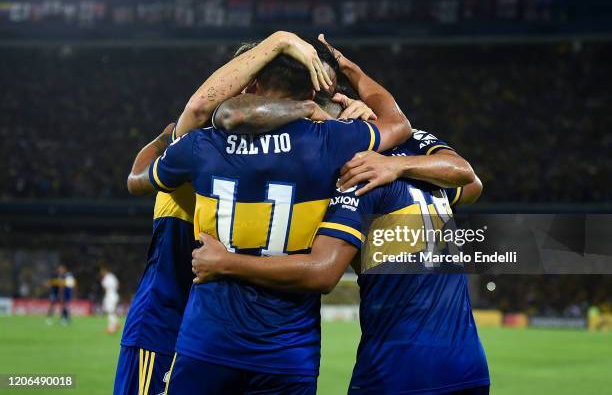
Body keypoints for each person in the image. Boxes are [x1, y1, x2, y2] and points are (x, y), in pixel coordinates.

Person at [191, 39, 488, 394]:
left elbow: (322, 271)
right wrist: (354, 74)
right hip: (468, 368)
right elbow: (469, 182)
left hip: (395, 371)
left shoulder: (358, 174)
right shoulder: (424, 164)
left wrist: (226, 262)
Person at [127, 31, 410, 393]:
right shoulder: (335, 141)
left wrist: (167, 135)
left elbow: (139, 179)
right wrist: (352, 79)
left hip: (208, 342)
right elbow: (398, 124)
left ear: (252, 84)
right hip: (288, 352)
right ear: (312, 92)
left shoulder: (200, 145)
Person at [100, 267, 120, 333]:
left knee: (110, 311)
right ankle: (116, 323)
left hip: (110, 296)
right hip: (115, 294)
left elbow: (105, 288)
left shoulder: (106, 278)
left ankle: (111, 328)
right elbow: (118, 284)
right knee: (112, 311)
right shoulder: (112, 276)